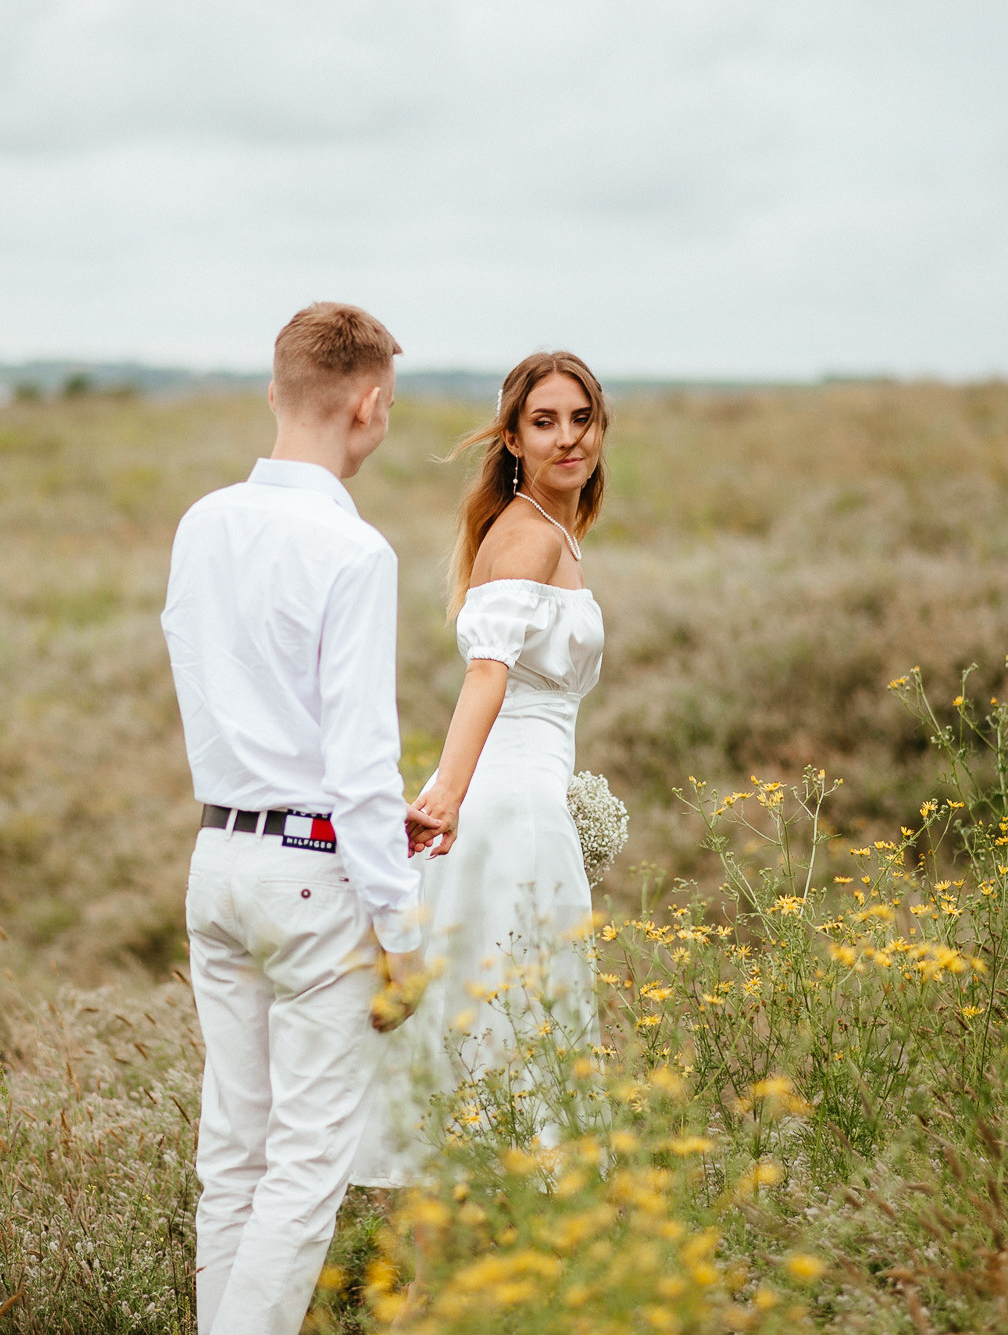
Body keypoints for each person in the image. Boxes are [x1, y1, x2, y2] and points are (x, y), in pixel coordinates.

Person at [161, 302, 437, 1335]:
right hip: (313, 870)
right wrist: (401, 930)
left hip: (217, 857)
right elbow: (361, 763)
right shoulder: (353, 552)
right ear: (366, 406)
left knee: (231, 1151)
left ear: (276, 392)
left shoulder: (202, 523)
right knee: (306, 1163)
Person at [352, 351, 609, 1187]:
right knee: (518, 1022)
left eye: (581, 418)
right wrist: (447, 799)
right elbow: (488, 671)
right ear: (511, 438)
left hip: (522, 794)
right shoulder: (529, 534)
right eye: (545, 421)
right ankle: (517, 1226)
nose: (567, 437)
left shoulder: (544, 528)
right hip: (510, 807)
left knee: (500, 1014)